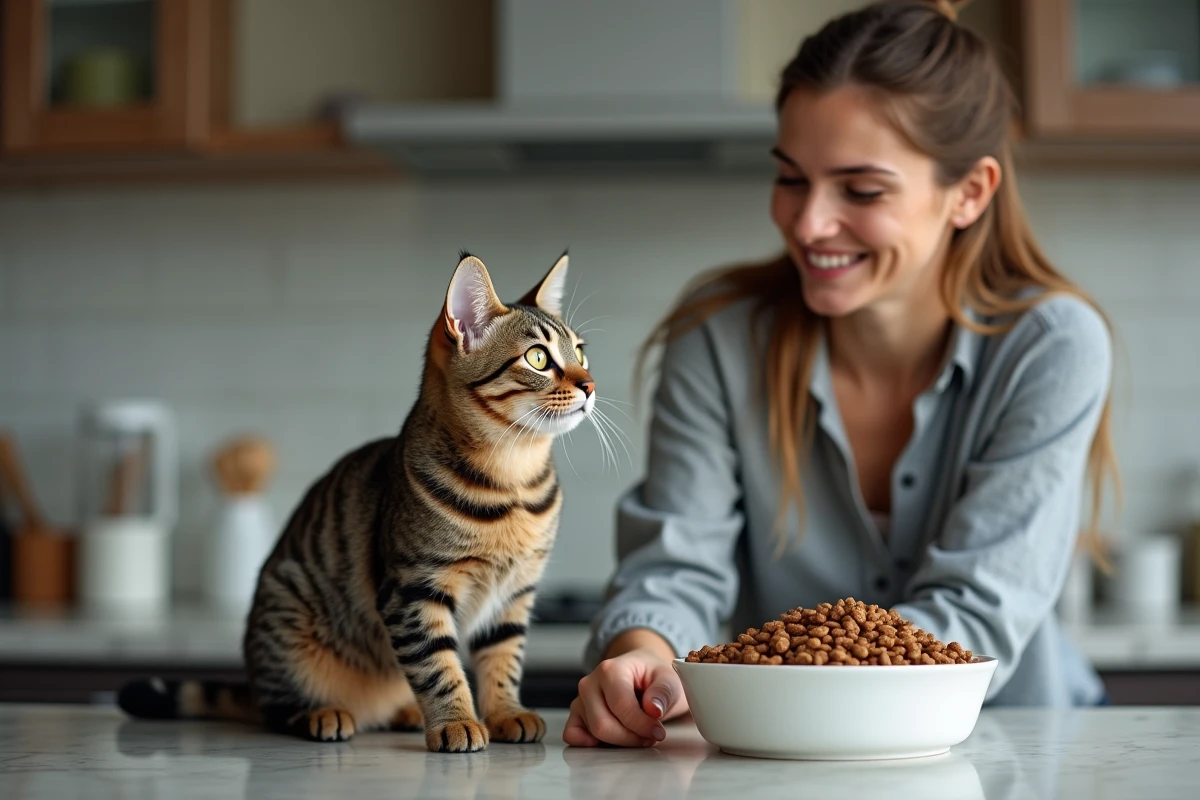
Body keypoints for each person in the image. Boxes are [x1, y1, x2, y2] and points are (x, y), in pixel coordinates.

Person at [564, 0, 1121, 749]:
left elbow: (977, 609)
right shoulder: (718, 339)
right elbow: (677, 564)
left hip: (1012, 752)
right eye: (792, 178)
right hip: (785, 757)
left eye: (861, 190)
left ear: (970, 192)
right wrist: (643, 658)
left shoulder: (1051, 346)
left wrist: (778, 684)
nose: (807, 223)